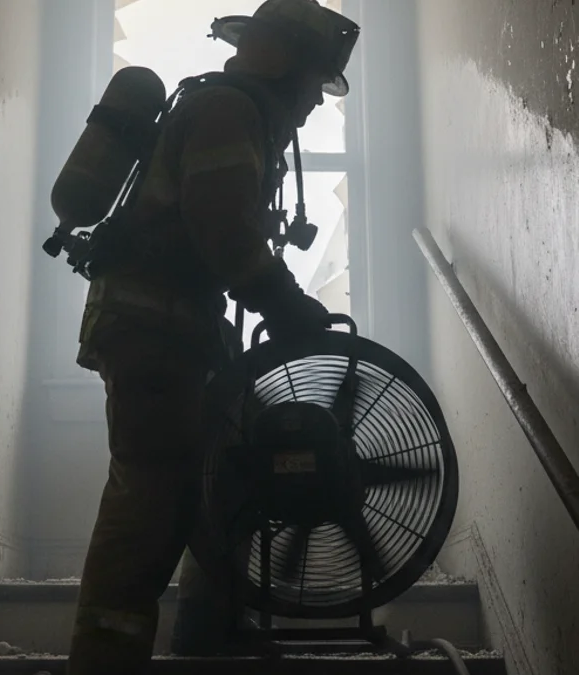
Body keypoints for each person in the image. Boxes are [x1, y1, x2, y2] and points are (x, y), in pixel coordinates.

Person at [66, 1, 361, 672]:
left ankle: (207, 632)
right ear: (280, 64)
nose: (317, 101)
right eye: (313, 82)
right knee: (150, 504)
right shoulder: (229, 112)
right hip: (156, 334)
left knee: (226, 472)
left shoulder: (232, 112)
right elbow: (222, 226)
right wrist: (285, 304)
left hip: (180, 335)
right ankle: (104, 661)